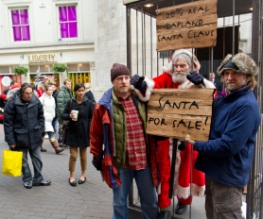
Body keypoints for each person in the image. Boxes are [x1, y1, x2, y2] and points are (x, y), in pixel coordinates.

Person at [131, 49, 215, 218]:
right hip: (166, 137)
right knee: (165, 172)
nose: (178, 68)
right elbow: (150, 87)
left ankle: (184, 201)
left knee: (186, 170)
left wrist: (203, 85)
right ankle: (164, 207)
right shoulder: (167, 78)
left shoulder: (195, 81)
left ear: (191, 67)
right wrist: (141, 85)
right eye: (175, 65)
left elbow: (211, 98)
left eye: (182, 65)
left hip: (188, 137)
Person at [186, 53, 260, 219]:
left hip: (228, 178)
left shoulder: (246, 106)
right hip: (214, 172)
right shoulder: (227, 99)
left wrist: (195, 143)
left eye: (235, 73)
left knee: (226, 214)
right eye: (226, 73)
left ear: (247, 76)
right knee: (213, 214)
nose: (229, 77)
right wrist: (202, 85)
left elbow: (228, 146)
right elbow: (206, 110)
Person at [90, 63, 159, 219]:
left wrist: (144, 84)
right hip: (120, 163)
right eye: (119, 78)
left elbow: (159, 98)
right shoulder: (104, 105)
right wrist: (96, 154)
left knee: (150, 202)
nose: (124, 81)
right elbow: (95, 133)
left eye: (127, 78)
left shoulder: (140, 98)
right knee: (119, 204)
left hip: (144, 161)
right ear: (113, 81)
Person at [3, 83, 51, 189]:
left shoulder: (35, 101)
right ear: (21, 93)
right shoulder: (12, 104)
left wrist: (41, 131)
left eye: (31, 93)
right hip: (19, 137)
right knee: (23, 160)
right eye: (27, 93)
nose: (29, 96)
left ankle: (38, 178)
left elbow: (40, 117)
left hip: (34, 135)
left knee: (37, 159)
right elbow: (8, 124)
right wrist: (11, 140)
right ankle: (27, 179)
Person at [62, 83, 94, 186]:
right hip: (73, 130)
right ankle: (71, 175)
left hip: (84, 131)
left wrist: (90, 128)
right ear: (75, 91)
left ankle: (83, 174)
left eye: (82, 90)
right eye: (79, 91)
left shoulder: (88, 103)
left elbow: (92, 117)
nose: (81, 93)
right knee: (73, 155)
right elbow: (63, 114)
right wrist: (69, 115)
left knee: (83, 155)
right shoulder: (70, 102)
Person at [39, 84, 64, 154]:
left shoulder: (52, 98)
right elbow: (38, 108)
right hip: (44, 119)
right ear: (46, 91)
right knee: (50, 132)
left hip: (50, 119)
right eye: (49, 90)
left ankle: (39, 146)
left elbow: (53, 108)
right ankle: (56, 148)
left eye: (52, 90)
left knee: (42, 133)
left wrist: (54, 115)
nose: (51, 91)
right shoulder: (42, 98)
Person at [57, 79, 73, 147]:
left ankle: (64, 141)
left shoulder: (69, 91)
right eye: (68, 84)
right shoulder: (62, 92)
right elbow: (60, 105)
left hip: (67, 113)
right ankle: (60, 141)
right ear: (65, 84)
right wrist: (63, 114)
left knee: (66, 127)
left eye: (70, 84)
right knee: (62, 127)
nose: (69, 85)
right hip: (63, 114)